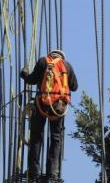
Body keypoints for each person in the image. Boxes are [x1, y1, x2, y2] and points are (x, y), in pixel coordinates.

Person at [20, 50, 78, 181]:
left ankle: (34, 171)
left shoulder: (42, 61)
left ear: (51, 55)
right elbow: (74, 87)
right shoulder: (67, 66)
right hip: (58, 107)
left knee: (36, 137)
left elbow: (32, 80)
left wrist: (24, 74)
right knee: (56, 138)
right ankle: (52, 172)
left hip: (41, 103)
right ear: (61, 57)